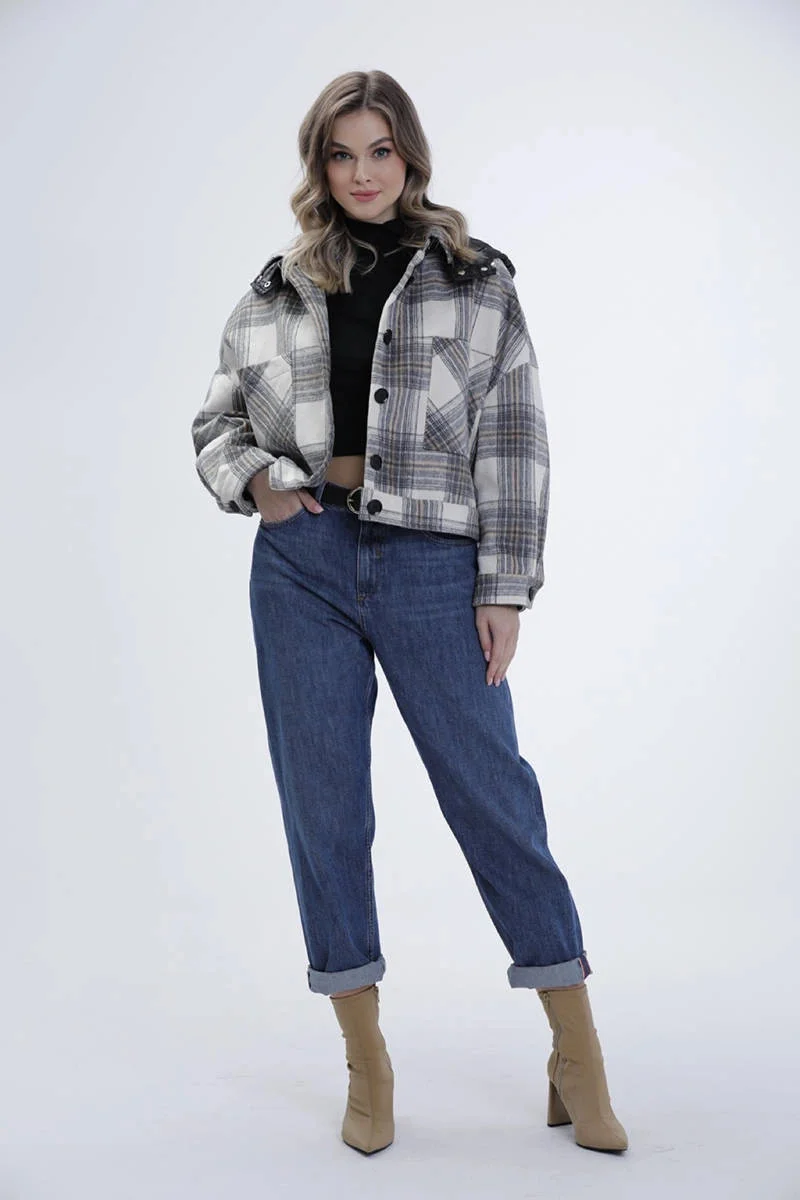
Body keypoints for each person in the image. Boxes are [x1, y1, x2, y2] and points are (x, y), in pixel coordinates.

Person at [191, 69, 628, 1158]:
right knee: (325, 810)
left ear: (409, 156)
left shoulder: (476, 282)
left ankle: (576, 1054)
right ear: (320, 167)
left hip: (436, 564)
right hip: (302, 565)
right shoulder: (276, 289)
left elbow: (514, 438)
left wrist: (504, 585)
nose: (362, 173)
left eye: (379, 150)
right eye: (341, 154)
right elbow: (215, 421)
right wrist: (258, 484)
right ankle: (365, 1061)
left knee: (493, 798)